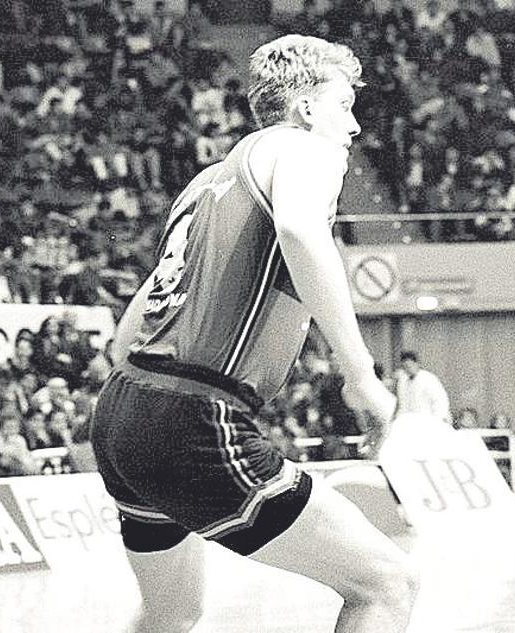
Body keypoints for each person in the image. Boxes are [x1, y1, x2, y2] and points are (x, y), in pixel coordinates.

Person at [89, 35, 417, 633]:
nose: (355, 128)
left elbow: (125, 337)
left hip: (122, 414)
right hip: (193, 416)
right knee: (387, 584)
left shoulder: (206, 183)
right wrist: (362, 376)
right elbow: (299, 230)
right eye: (344, 106)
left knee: (171, 613)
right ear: (307, 107)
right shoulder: (302, 149)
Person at [394, 350, 452, 425]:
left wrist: (438, 420)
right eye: (405, 367)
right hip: (412, 422)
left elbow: (440, 400)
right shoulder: (403, 382)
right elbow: (403, 405)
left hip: (429, 419)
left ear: (416, 364)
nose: (407, 370)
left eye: (409, 366)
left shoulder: (428, 379)